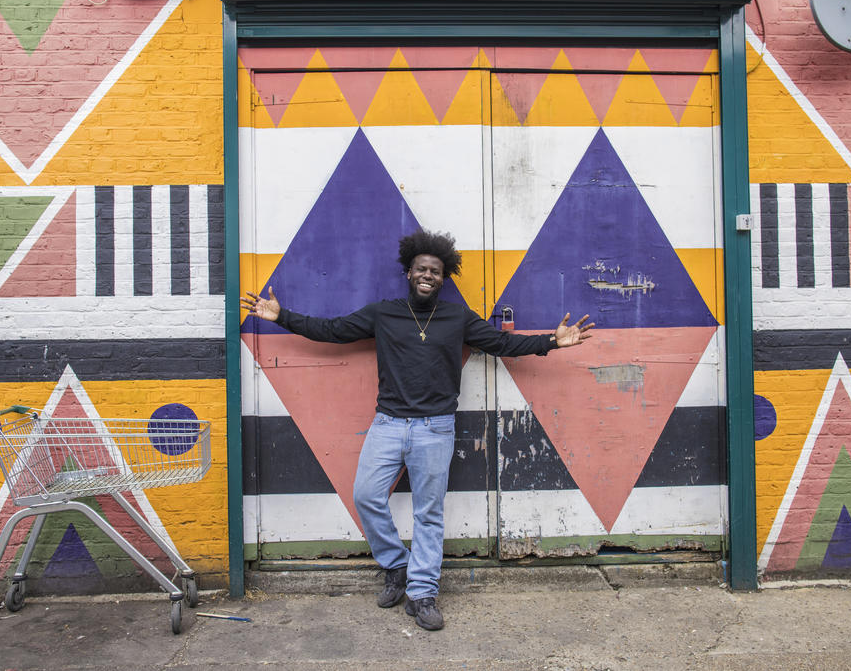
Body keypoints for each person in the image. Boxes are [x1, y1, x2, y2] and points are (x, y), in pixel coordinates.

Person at [242, 229, 593, 631]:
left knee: (429, 513)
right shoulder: (384, 313)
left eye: (436, 271)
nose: (428, 275)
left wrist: (551, 341)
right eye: (422, 269)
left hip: (435, 429)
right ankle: (396, 567)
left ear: (443, 279)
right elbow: (333, 331)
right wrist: (281, 316)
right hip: (388, 423)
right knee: (366, 497)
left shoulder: (456, 317)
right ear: (409, 272)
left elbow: (500, 344)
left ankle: (423, 591)